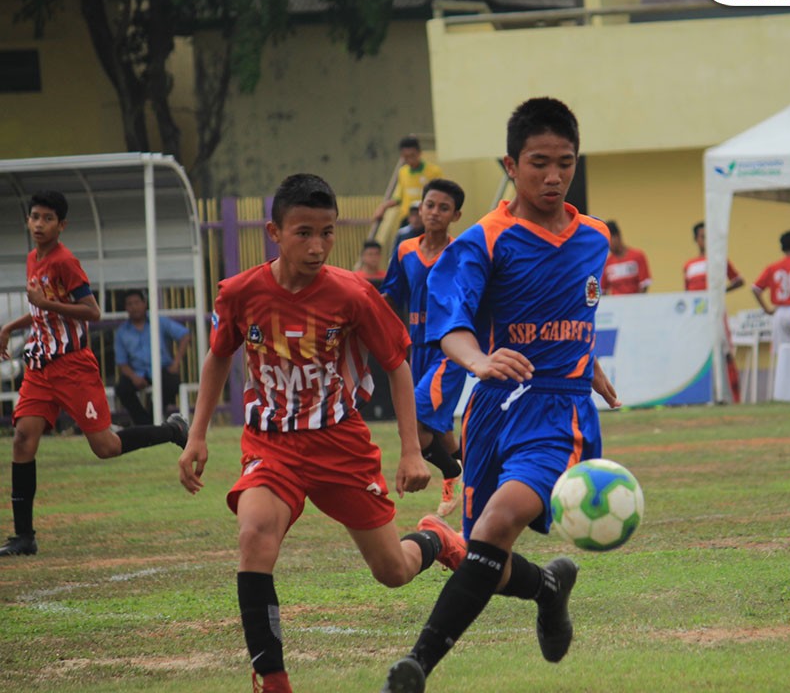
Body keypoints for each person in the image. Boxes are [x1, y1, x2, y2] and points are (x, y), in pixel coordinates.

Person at [176, 174, 465, 693]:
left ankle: (435, 537)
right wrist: (197, 436)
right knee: (254, 536)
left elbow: (397, 365)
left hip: (339, 445)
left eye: (327, 234)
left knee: (393, 570)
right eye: (303, 233)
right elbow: (220, 354)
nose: (317, 246)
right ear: (274, 232)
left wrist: (409, 452)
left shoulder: (351, 293)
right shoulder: (241, 293)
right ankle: (273, 678)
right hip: (270, 445)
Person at [381, 97, 621, 693]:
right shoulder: (483, 241)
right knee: (482, 557)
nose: (554, 176)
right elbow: (452, 327)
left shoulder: (594, 238)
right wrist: (478, 360)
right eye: (539, 162)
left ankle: (415, 668)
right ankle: (547, 588)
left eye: (565, 162)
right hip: (492, 408)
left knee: (495, 524)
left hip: (557, 410)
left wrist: (585, 365)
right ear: (512, 165)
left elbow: (572, 311)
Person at [0, 191, 188, 558]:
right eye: (35, 217)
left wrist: (43, 304)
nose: (39, 224)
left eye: (47, 218)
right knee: (23, 439)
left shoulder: (65, 261)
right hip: (41, 367)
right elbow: (43, 314)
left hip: (73, 366)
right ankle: (24, 536)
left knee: (106, 447)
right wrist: (13, 324)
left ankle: (173, 430)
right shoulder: (31, 259)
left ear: (61, 225)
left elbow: (91, 311)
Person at [381, 178, 468, 518]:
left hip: (450, 351)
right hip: (417, 350)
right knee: (439, 429)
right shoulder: (405, 250)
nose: (434, 212)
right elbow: (392, 294)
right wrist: (362, 312)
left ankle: (452, 474)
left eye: (443, 208)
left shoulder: (462, 254)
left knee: (415, 416)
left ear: (455, 215)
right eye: (429, 205)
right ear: (420, 208)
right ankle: (473, 481)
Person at [683, 221, 744, 403]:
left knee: (725, 353)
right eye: (702, 237)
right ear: (696, 239)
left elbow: (739, 280)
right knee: (698, 353)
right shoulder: (689, 265)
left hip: (716, 312)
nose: (706, 241)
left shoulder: (719, 259)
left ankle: (736, 398)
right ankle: (702, 397)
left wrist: (719, 292)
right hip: (697, 316)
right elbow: (687, 292)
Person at [113, 289, 191, 425]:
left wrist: (176, 363)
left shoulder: (158, 322)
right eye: (130, 304)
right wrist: (134, 377)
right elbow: (122, 362)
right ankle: (144, 422)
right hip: (137, 372)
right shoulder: (122, 332)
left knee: (172, 382)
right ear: (125, 308)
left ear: (145, 303)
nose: (134, 307)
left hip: (162, 369)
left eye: (137, 302)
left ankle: (152, 418)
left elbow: (184, 335)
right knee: (122, 389)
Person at [373, 136, 444, 229]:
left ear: (419, 153)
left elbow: (440, 196)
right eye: (406, 157)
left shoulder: (433, 171)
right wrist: (383, 207)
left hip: (427, 219)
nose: (410, 160)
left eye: (412, 156)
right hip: (408, 218)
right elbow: (398, 198)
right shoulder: (403, 172)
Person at [752, 230, 790, 349]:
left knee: (783, 352)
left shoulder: (773, 267)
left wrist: (767, 309)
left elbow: (755, 288)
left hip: (780, 312)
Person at [601, 220, 651, 295]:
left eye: (609, 240)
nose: (608, 245)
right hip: (616, 305)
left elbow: (644, 285)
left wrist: (637, 303)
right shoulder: (607, 263)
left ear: (617, 236)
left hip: (636, 303)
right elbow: (603, 289)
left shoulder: (637, 256)